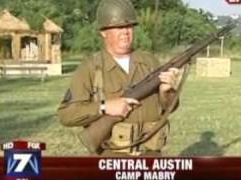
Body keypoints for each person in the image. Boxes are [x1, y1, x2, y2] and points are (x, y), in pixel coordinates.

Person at [57, 0, 180, 156]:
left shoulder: (150, 62)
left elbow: (170, 107)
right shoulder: (90, 68)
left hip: (150, 158)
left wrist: (165, 92)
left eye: (129, 27)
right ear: (103, 31)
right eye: (118, 27)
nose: (125, 32)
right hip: (111, 159)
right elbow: (66, 114)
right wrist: (104, 107)